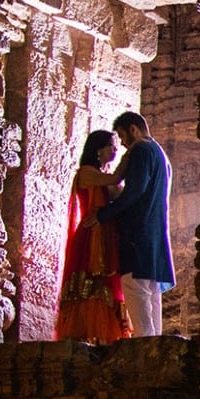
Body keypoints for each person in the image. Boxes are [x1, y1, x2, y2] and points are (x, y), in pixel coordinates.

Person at [97, 111, 175, 337]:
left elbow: (135, 191)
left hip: (137, 232)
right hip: (154, 233)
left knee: (134, 286)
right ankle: (154, 340)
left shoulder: (141, 150)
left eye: (122, 136)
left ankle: (144, 341)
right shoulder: (160, 154)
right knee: (151, 291)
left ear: (133, 129)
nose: (122, 144)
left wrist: (104, 214)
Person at [54, 130, 132, 344]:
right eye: (111, 145)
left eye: (117, 146)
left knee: (109, 283)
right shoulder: (87, 172)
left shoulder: (102, 173)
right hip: (92, 235)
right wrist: (130, 156)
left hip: (107, 233)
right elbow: (116, 179)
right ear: (98, 149)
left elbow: (119, 194)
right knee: (92, 282)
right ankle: (88, 332)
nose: (115, 150)